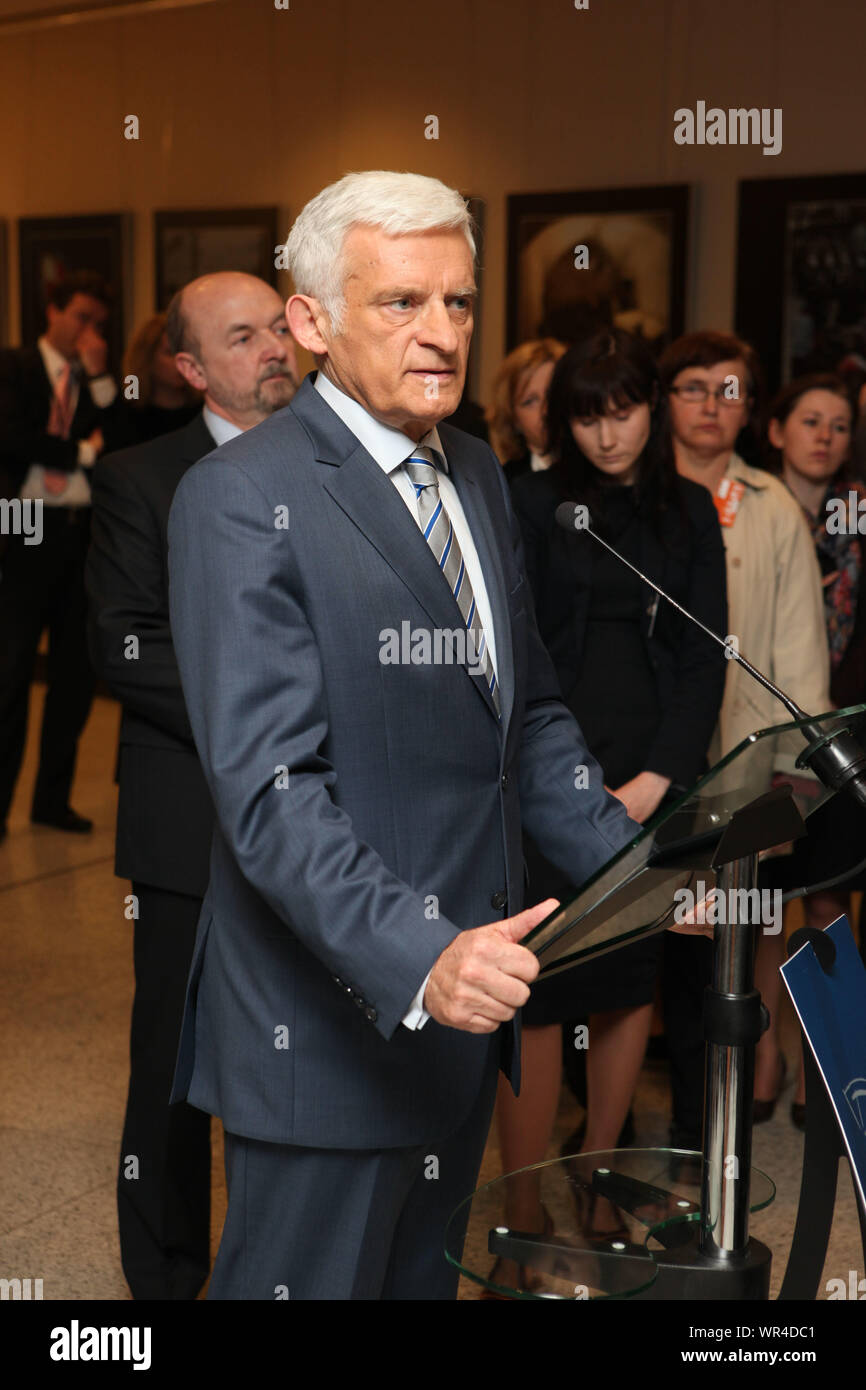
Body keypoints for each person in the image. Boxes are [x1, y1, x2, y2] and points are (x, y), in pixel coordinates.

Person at [166, 170, 639, 1300]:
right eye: (401, 304)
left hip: (462, 1022)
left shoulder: (471, 469)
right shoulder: (239, 497)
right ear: (313, 322)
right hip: (330, 1032)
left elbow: (518, 713)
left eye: (460, 303)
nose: (441, 335)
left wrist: (638, 862)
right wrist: (420, 955)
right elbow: (273, 793)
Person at [493, 329, 726, 1282]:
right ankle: (519, 1212)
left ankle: (594, 1187)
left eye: (623, 410)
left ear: (654, 404)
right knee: (539, 992)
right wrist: (571, 790)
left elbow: (705, 652)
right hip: (548, 773)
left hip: (651, 769)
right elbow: (514, 649)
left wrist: (660, 778)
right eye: (586, 416)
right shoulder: (530, 501)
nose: (608, 434)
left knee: (629, 986)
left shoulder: (689, 513)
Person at [86, 272, 299, 1299]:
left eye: (278, 326)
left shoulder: (338, 465)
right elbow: (126, 646)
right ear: (189, 367)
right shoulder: (141, 479)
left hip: (324, 813)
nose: (274, 349)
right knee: (172, 1062)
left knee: (305, 1049)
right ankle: (169, 1275)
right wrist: (279, 713)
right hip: (189, 821)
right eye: (242, 335)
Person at [660, 331, 831, 1134]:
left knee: (726, 951)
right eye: (693, 386)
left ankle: (711, 1136)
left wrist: (793, 783)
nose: (710, 403)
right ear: (667, 400)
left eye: (729, 389)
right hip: (648, 769)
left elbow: (802, 657)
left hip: (745, 769)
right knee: (643, 965)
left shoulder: (774, 509)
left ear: (749, 411)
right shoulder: (638, 498)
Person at [762, 372, 866, 1125]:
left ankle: (829, 1075)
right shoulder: (752, 508)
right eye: (810, 420)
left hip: (847, 734)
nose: (826, 435)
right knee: (766, 903)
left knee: (828, 899)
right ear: (777, 430)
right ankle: (763, 1064)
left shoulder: (858, 517)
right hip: (765, 731)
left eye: (838, 424)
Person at [0, 270, 117, 841]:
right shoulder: (16, 366)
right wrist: (81, 453)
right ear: (52, 312)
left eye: (97, 322)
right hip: (21, 525)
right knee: (11, 672)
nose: (87, 330)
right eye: (79, 317)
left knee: (73, 676)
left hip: (77, 531)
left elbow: (119, 441)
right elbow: (12, 438)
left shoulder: (95, 379)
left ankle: (53, 800)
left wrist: (99, 376)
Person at [101, 312, 200, 453]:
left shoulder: (201, 408)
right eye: (170, 353)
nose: (181, 363)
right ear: (148, 356)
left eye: (186, 353)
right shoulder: (131, 403)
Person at [487, 339, 566, 484]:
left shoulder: (607, 468)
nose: (546, 410)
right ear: (514, 420)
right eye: (530, 401)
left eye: (553, 394)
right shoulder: (502, 486)